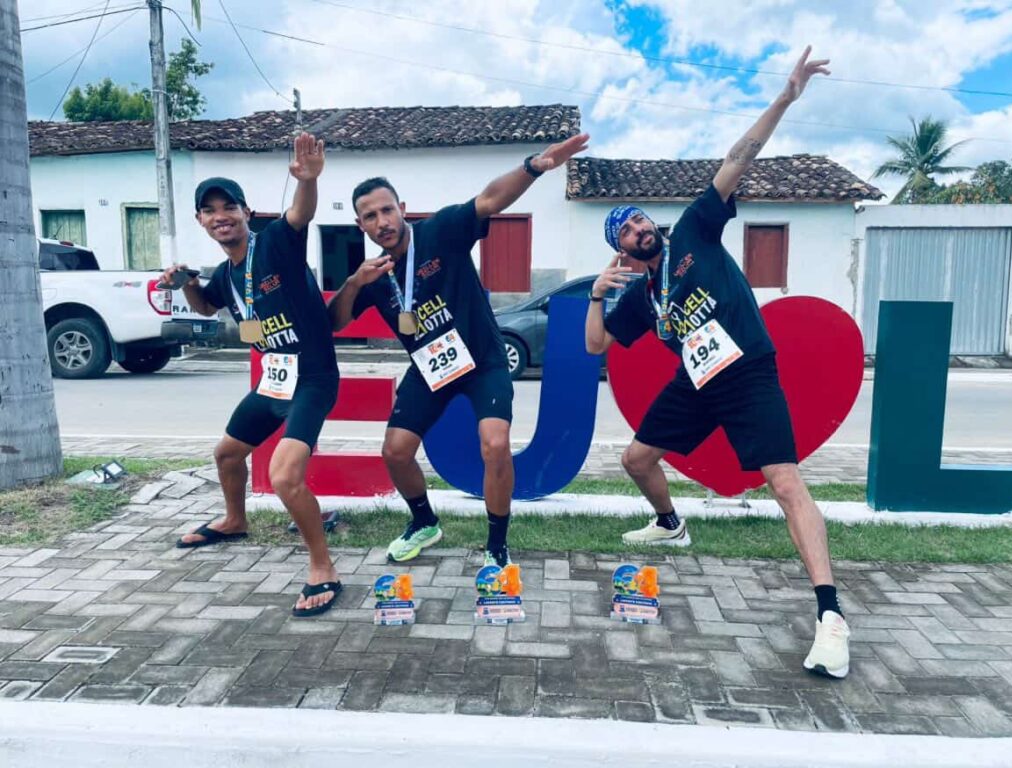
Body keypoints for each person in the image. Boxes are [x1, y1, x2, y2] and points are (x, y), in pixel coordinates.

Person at [585, 47, 851, 679]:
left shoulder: (694, 232)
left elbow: (737, 159)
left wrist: (784, 97)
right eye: (626, 230)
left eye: (640, 220)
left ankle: (831, 615)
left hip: (748, 370)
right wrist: (596, 295)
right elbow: (596, 346)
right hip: (696, 381)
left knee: (784, 482)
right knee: (635, 459)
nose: (639, 228)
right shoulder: (640, 297)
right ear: (621, 249)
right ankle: (670, 523)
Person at [328, 132, 589, 567]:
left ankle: (497, 545)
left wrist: (533, 167)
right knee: (395, 451)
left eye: (387, 210)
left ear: (402, 208)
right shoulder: (372, 274)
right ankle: (424, 523)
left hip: (483, 359)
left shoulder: (440, 231)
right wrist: (355, 282)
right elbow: (335, 323)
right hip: (430, 368)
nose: (382, 221)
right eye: (370, 216)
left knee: (495, 444)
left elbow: (489, 200)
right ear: (361, 226)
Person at [160, 133, 342, 618]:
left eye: (229, 207)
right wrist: (188, 282)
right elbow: (206, 305)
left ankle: (322, 566)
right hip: (273, 382)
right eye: (210, 211)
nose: (220, 216)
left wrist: (308, 181)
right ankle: (234, 520)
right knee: (226, 454)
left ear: (246, 212)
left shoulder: (276, 244)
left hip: (312, 380)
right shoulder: (225, 273)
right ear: (201, 221)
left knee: (284, 476)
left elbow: (299, 214)